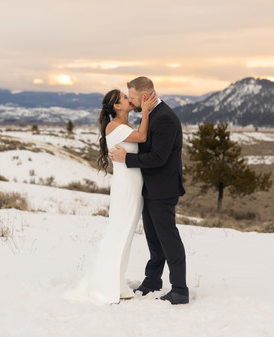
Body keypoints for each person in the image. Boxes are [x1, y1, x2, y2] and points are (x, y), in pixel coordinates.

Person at [63, 88, 158, 305]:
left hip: (133, 186)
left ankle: (117, 282)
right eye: (125, 98)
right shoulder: (114, 126)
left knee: (125, 235)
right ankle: (104, 285)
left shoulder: (123, 126)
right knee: (118, 233)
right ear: (116, 106)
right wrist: (145, 111)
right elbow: (142, 137)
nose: (128, 99)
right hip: (126, 187)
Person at [109, 76, 189, 305]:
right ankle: (152, 281)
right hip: (151, 188)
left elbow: (159, 158)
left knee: (168, 239)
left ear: (144, 96)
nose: (131, 102)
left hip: (163, 189)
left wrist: (126, 158)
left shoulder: (164, 118)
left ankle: (180, 290)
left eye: (132, 97)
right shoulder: (152, 114)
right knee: (154, 240)